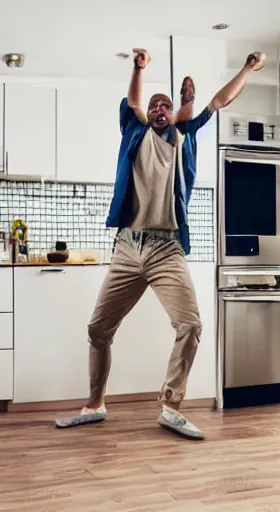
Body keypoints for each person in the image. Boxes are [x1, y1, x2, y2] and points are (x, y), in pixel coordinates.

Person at [55, 48, 265, 440]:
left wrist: (247, 68)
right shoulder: (133, 130)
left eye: (165, 105)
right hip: (127, 247)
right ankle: (94, 403)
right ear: (147, 114)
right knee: (98, 328)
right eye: (154, 105)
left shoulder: (185, 136)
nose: (158, 108)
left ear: (174, 113)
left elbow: (219, 101)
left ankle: (171, 407)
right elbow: (133, 101)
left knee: (190, 324)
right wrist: (138, 69)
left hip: (166, 249)